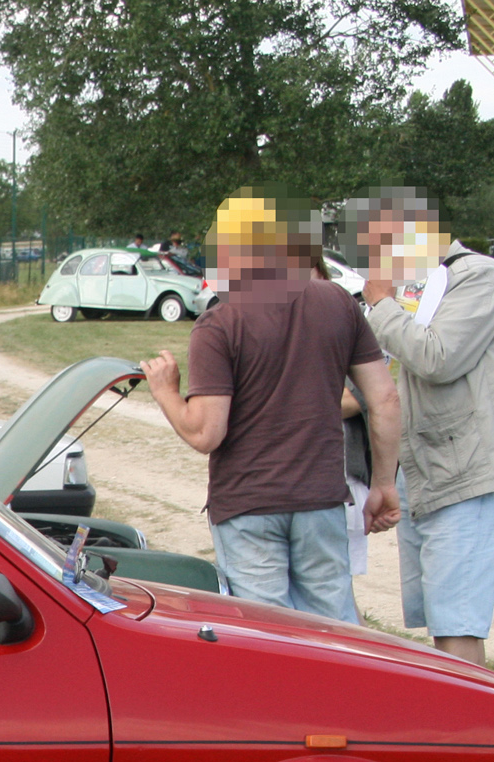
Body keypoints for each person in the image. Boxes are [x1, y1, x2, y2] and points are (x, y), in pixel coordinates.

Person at [139, 190, 402, 623]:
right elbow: (385, 400)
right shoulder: (340, 303)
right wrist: (384, 484)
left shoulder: (220, 322)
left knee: (268, 635)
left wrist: (166, 390)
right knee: (335, 629)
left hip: (249, 505)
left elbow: (207, 432)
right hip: (321, 499)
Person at [354, 188, 494, 666]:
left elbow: (436, 357)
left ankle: (470, 730)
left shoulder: (480, 279)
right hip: (430, 468)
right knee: (440, 613)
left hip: (472, 473)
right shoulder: (426, 287)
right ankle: (451, 718)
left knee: (457, 617)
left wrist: (381, 305)